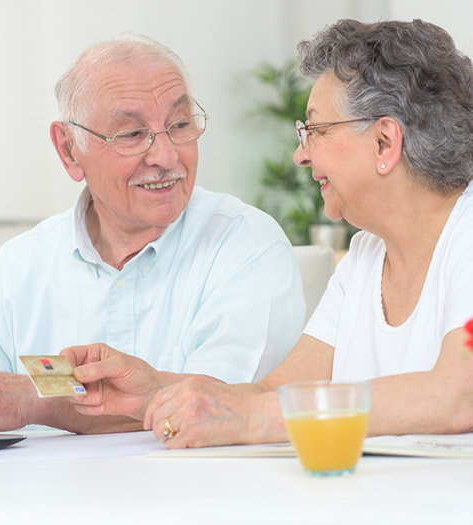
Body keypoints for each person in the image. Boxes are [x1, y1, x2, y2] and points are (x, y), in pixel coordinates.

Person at [62, 19, 473, 447]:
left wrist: (253, 419)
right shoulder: (366, 256)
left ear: (384, 142)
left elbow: (457, 395)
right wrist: (153, 391)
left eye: (315, 130)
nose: (300, 155)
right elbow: (273, 392)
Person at [0, 34, 306, 433]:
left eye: (179, 125)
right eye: (131, 134)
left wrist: (34, 397)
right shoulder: (14, 270)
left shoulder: (246, 243)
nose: (166, 156)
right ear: (69, 149)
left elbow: (217, 407)